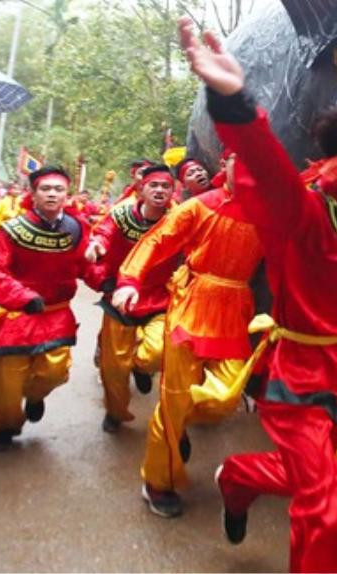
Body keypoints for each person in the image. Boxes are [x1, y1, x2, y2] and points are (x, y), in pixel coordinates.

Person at [182, 18, 337, 573]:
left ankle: (236, 478)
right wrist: (235, 98)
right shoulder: (302, 214)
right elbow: (265, 164)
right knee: (324, 499)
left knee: (303, 474)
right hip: (298, 371)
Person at [119, 149, 263, 519]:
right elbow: (156, 240)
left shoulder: (269, 214)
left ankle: (178, 420)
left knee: (227, 398)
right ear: (225, 163)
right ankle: (158, 482)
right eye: (239, 158)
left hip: (235, 308)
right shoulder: (199, 206)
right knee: (174, 396)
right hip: (192, 303)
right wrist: (129, 279)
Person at [0, 166, 89, 451]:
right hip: (20, 314)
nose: (52, 194)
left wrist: (109, 281)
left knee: (56, 371)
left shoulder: (76, 228)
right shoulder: (12, 230)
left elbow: (85, 266)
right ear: (33, 194)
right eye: (45, 189)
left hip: (57, 312)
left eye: (58, 189)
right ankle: (5, 427)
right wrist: (22, 295)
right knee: (6, 381)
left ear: (67, 195)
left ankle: (36, 396)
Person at [84, 164, 177, 433]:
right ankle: (115, 412)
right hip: (121, 298)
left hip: (160, 296)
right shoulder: (121, 215)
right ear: (140, 189)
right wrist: (98, 247)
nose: (160, 190)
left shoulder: (178, 216)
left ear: (172, 190)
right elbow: (104, 234)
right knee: (113, 368)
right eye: (154, 185)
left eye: (166, 186)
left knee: (157, 352)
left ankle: (142, 368)